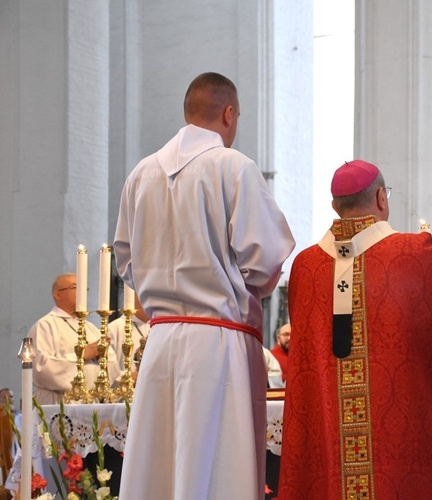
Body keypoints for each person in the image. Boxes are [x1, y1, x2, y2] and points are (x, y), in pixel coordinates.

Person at [113, 72, 295, 499]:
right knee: (217, 471)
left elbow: (126, 261)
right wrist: (244, 285)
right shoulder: (233, 167)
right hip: (219, 342)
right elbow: (267, 259)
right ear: (229, 114)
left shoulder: (141, 174)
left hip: (159, 344)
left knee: (159, 470)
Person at [278, 160, 432, 499]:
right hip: (402, 461)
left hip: (330, 459)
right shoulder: (412, 253)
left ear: (335, 206)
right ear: (381, 198)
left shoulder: (305, 267)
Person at [28, 274, 120, 404]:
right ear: (58, 295)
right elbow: (41, 369)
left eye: (85, 288)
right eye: (75, 287)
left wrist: (103, 358)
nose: (82, 292)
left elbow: (113, 367)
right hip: (58, 402)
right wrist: (82, 355)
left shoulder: (91, 328)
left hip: (90, 402)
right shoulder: (45, 326)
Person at [108, 293, 150, 375]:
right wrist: (130, 377)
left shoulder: (158, 328)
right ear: (133, 297)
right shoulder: (114, 328)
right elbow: (107, 366)